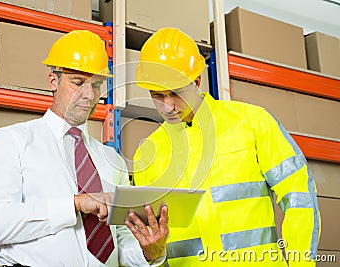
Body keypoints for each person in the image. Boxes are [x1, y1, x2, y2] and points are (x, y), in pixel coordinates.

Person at [0, 30, 169, 267]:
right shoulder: (12, 142)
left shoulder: (111, 160)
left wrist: (149, 252)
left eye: (97, 85)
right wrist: (74, 204)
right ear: (53, 81)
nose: (89, 95)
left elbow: (119, 240)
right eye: (78, 83)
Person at [132, 27, 320, 266]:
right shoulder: (148, 153)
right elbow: (153, 237)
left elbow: (299, 195)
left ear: (197, 81)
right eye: (158, 95)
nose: (168, 106)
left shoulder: (252, 122)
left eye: (175, 93)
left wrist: (300, 263)